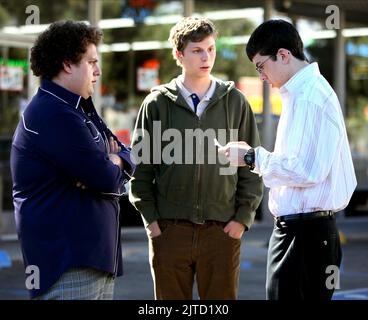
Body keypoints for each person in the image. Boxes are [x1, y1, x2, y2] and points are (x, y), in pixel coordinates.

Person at [219, 19, 357, 300]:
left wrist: (250, 156)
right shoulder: (303, 93)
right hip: (306, 232)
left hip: (304, 234)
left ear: (283, 55)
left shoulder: (308, 97)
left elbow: (305, 169)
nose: (261, 76)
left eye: (260, 66)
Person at [129, 17, 263, 300]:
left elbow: (252, 165)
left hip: (221, 232)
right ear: (179, 54)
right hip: (169, 231)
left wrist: (242, 219)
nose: (206, 57)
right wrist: (152, 221)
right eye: (197, 50)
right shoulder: (156, 103)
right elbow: (141, 169)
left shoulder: (235, 101)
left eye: (211, 49)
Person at [10, 20, 135, 300]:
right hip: (68, 265)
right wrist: (110, 164)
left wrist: (115, 160)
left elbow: (126, 155)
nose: (98, 71)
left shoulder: (78, 108)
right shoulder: (54, 114)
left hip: (94, 261)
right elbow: (105, 179)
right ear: (68, 65)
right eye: (91, 62)